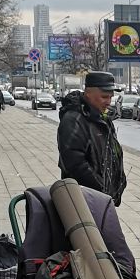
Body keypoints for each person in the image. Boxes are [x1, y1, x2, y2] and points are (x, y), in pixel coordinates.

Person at [57, 70, 127, 204]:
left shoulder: (103, 119)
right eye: (104, 97)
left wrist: (120, 183)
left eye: (111, 97)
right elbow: (74, 164)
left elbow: (113, 154)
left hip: (102, 199)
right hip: (82, 199)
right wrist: (101, 189)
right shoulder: (74, 120)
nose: (108, 102)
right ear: (88, 93)